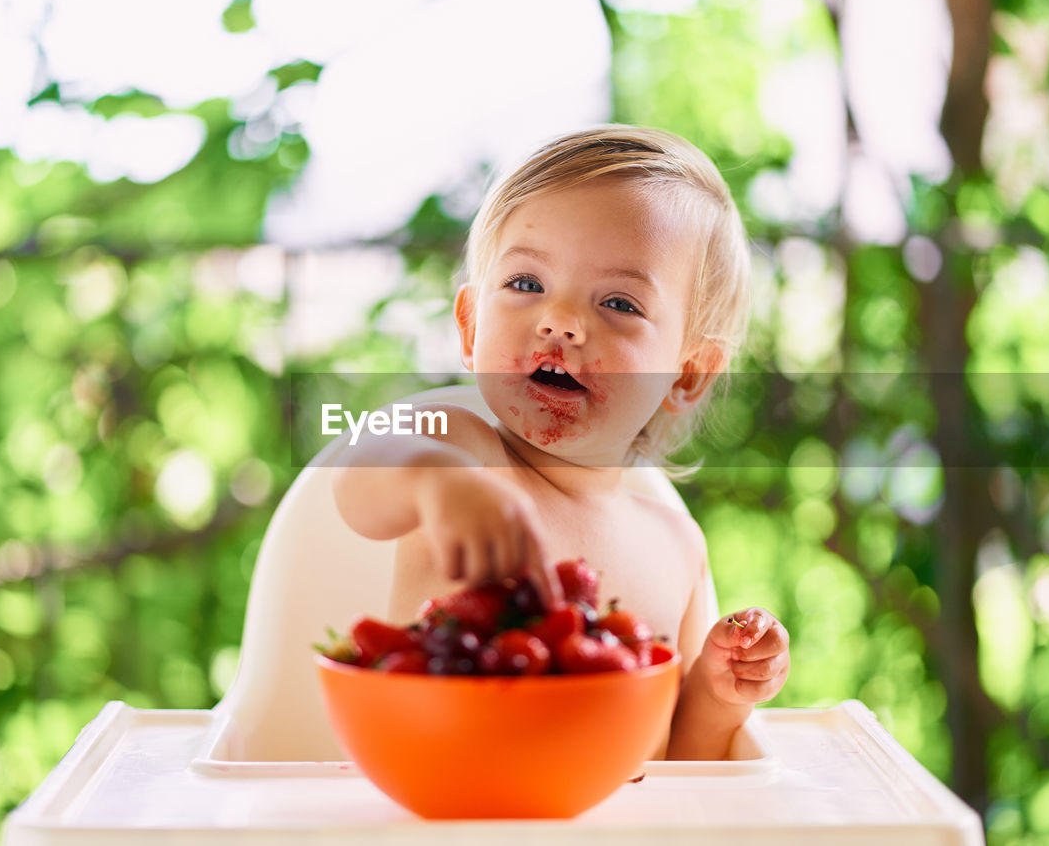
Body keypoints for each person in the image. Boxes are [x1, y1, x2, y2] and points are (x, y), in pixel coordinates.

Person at [332, 124, 789, 760]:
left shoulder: (676, 545)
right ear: (470, 327)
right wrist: (439, 481)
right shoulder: (462, 447)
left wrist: (719, 696)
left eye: (620, 303)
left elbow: (678, 761)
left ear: (686, 373)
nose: (562, 321)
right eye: (526, 284)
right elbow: (362, 471)